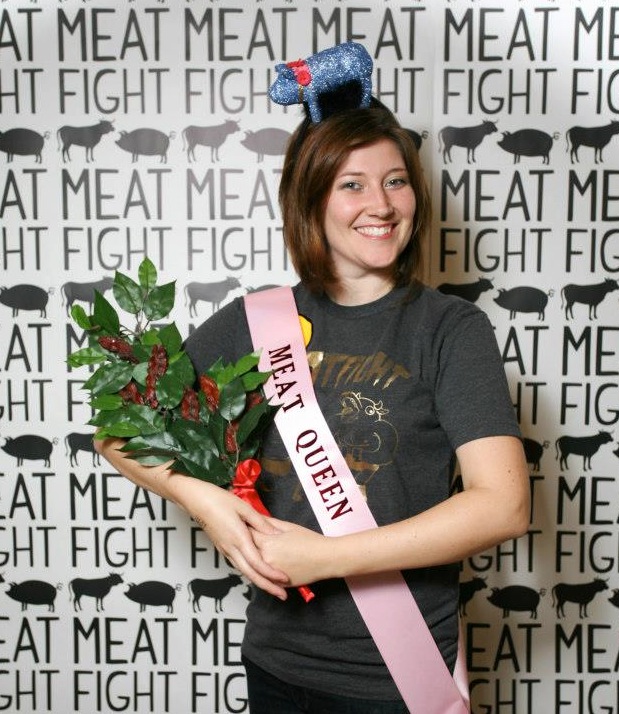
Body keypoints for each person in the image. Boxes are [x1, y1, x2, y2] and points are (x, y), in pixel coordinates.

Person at [96, 97, 529, 712]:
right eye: (352, 184)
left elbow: (504, 505)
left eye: (396, 181)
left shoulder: (450, 329)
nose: (381, 205)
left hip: (398, 677)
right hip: (276, 666)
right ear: (311, 199)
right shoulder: (254, 322)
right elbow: (115, 430)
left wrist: (324, 558)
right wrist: (204, 502)